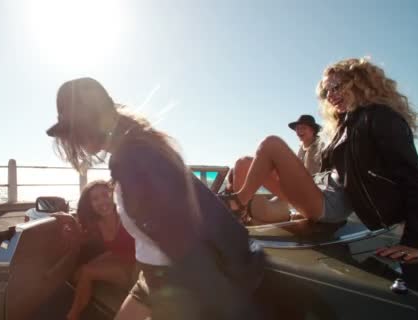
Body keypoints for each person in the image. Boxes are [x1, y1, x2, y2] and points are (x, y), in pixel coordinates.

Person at [46, 77, 264, 319]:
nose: (73, 142)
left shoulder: (133, 160)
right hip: (152, 276)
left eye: (72, 131)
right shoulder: (137, 149)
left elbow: (185, 246)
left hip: (176, 282)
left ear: (87, 124)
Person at [222, 58, 418, 267]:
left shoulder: (381, 117)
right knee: (244, 163)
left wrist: (414, 241)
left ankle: (235, 205)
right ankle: (241, 223)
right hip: (322, 190)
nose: (330, 96)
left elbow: (414, 178)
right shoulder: (346, 124)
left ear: (359, 83)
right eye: (326, 92)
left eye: (336, 87)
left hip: (332, 205)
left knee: (271, 144)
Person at [224, 114, 325, 224]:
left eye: (303, 128)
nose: (299, 131)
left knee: (270, 142)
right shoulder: (301, 149)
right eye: (297, 128)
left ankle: (238, 204)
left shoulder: (322, 147)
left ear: (313, 130)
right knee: (242, 163)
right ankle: (241, 214)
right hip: (295, 191)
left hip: (311, 196)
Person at [67, 180, 135, 320]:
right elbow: (80, 239)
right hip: (120, 261)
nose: (102, 201)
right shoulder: (96, 224)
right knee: (78, 273)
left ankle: (72, 316)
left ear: (113, 195)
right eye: (95, 199)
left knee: (86, 272)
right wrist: (66, 219)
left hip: (137, 270)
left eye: (105, 195)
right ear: (90, 204)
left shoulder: (126, 216)